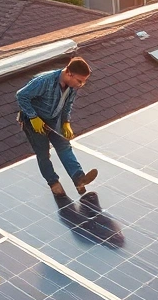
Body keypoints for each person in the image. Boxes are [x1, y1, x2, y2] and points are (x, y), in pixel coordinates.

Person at [16, 57, 97, 197]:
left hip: (53, 120)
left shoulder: (71, 87)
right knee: (43, 153)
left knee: (64, 146)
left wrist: (66, 122)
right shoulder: (44, 81)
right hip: (34, 122)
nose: (81, 84)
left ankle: (79, 179)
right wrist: (33, 116)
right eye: (79, 80)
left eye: (83, 81)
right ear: (69, 73)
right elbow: (21, 95)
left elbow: (68, 104)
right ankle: (53, 182)